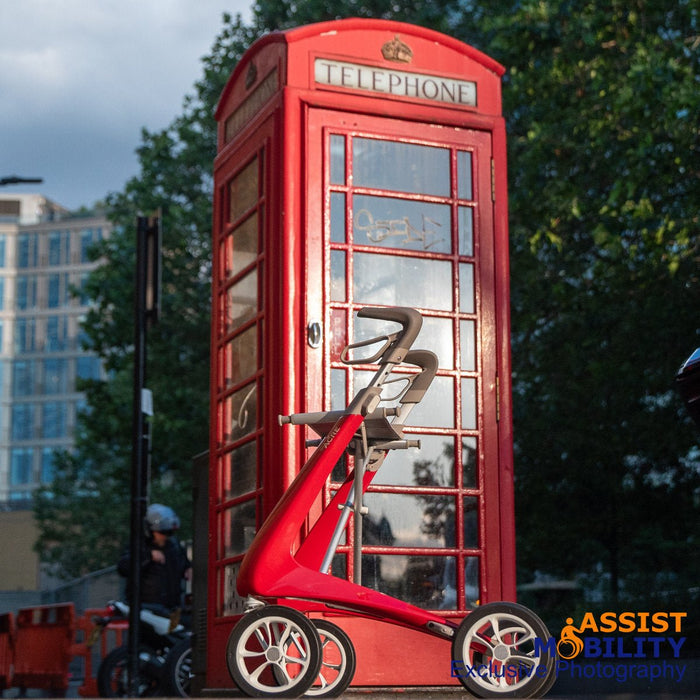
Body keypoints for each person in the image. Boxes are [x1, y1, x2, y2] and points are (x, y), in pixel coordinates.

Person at [118, 503, 192, 612]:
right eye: (163, 532)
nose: (166, 536)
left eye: (170, 532)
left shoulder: (174, 545)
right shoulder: (138, 545)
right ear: (150, 530)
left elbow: (183, 563)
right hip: (146, 608)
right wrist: (148, 556)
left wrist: (188, 568)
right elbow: (123, 567)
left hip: (171, 607)